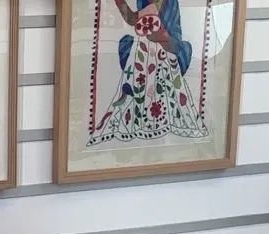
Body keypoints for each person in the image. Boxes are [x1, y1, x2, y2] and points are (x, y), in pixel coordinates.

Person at [87, 0, 208, 145]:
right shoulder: (143, 1)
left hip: (164, 55)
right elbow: (133, 19)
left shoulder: (170, 3)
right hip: (142, 54)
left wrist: (163, 37)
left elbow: (175, 41)